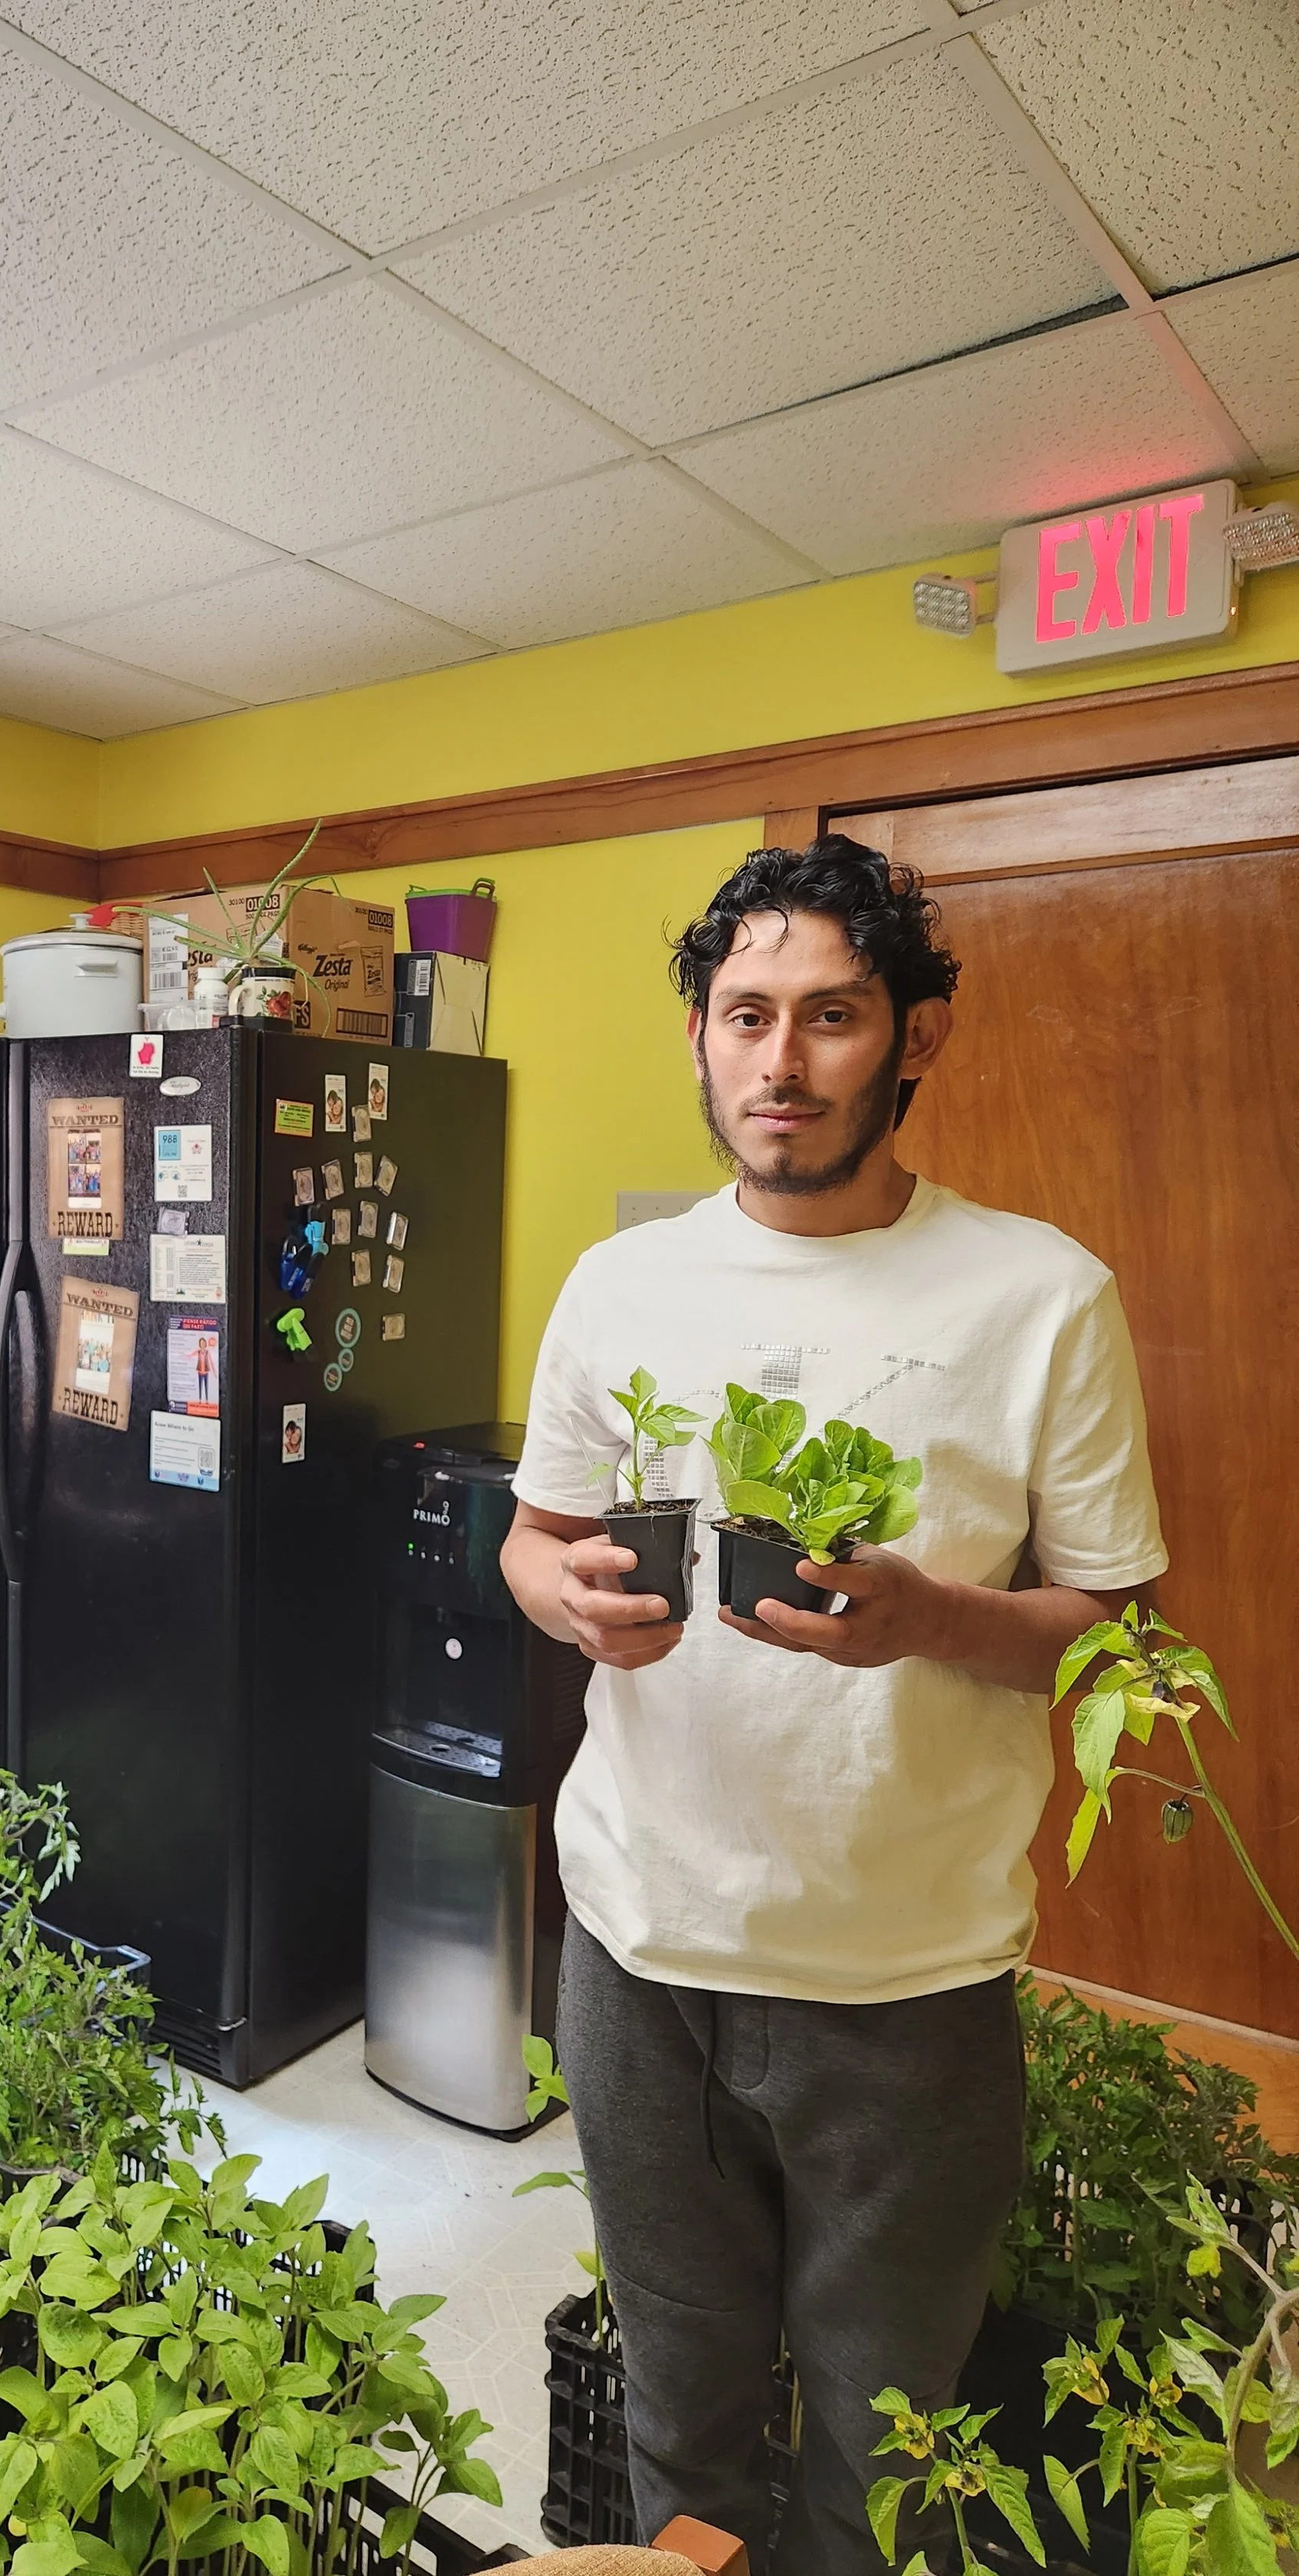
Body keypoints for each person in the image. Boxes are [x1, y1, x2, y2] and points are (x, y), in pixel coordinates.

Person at [499, 838, 1165, 2574]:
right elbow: (531, 1532)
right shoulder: (615, 1285)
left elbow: (1111, 1637)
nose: (777, 1063)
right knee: (678, 2422)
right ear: (702, 1037)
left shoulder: (1038, 1296)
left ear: (914, 1038)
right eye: (742, 1015)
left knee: (890, 2453)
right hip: (640, 1955)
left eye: (828, 1016)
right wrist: (557, 1590)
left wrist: (930, 1617)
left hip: (907, 1984)